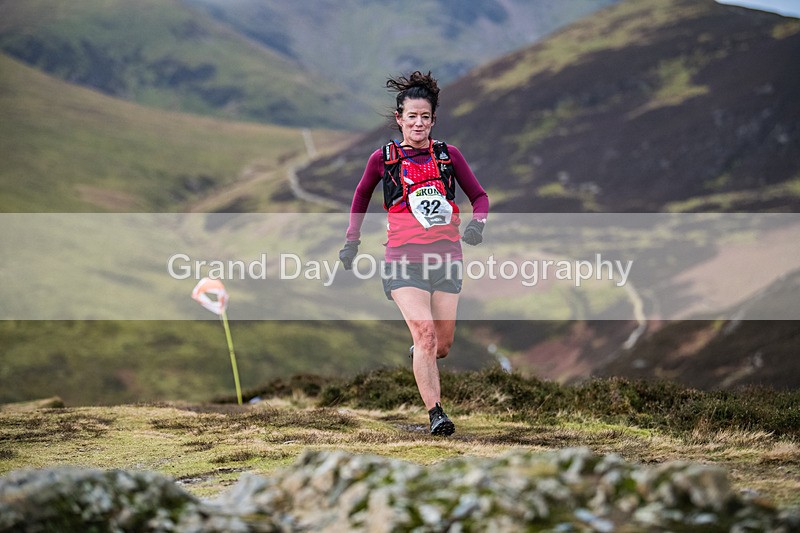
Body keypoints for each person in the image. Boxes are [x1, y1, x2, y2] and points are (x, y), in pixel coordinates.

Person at [338, 71, 489, 436]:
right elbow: (361, 196)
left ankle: (421, 352)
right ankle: (437, 414)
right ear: (399, 118)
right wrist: (352, 240)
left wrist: (477, 225)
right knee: (425, 334)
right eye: (412, 116)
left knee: (441, 345)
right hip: (402, 260)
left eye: (425, 116)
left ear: (433, 120)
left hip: (446, 258)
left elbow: (480, 197)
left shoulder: (448, 156)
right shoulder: (383, 158)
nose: (418, 123)